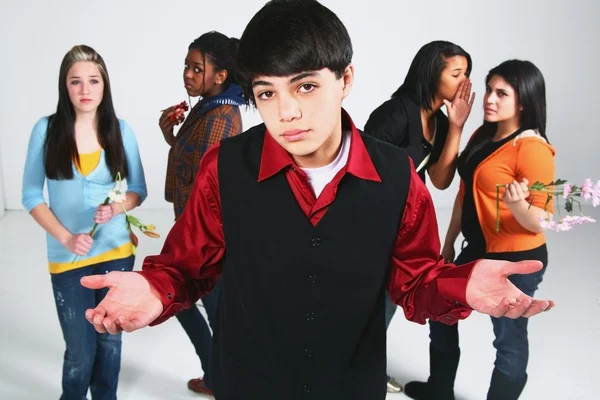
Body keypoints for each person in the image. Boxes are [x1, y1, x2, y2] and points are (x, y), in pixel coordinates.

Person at [80, 3, 554, 400]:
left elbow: (417, 282)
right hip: (247, 384)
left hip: (350, 386)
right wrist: (154, 289)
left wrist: (462, 284)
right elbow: (185, 268)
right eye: (267, 92)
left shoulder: (397, 177)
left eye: (305, 86)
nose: (286, 112)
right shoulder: (223, 167)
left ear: (345, 79)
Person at [403, 60, 555, 400]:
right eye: (489, 90)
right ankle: (439, 389)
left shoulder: (533, 148)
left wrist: (518, 206)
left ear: (523, 102)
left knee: (508, 338)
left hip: (517, 259)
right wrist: (449, 242)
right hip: (477, 248)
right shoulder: (482, 135)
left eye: (501, 93)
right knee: (440, 311)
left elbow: (540, 219)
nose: (489, 99)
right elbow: (462, 193)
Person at [21, 44, 147, 400]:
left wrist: (118, 207)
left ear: (105, 85)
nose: (85, 90)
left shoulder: (121, 131)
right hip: (69, 258)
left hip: (117, 254)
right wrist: (65, 237)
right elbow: (31, 196)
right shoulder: (45, 131)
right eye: (75, 82)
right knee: (80, 351)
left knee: (110, 342)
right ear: (65, 87)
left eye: (93, 80)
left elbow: (138, 190)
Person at [364, 40, 475, 392]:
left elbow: (441, 180)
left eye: (467, 74)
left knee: (387, 305)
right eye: (456, 73)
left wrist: (456, 126)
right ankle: (351, 374)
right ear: (431, 73)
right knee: (367, 308)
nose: (464, 82)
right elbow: (362, 177)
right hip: (373, 233)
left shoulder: (440, 122)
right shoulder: (395, 113)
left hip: (403, 233)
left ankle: (361, 371)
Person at [158, 30, 245, 396]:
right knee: (191, 303)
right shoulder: (208, 108)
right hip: (197, 233)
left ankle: (226, 382)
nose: (188, 74)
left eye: (197, 68)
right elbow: (193, 162)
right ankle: (217, 376)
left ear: (221, 76)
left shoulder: (220, 118)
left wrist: (191, 245)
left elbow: (206, 190)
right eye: (186, 66)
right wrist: (170, 133)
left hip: (205, 240)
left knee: (211, 313)